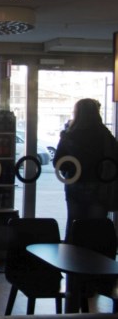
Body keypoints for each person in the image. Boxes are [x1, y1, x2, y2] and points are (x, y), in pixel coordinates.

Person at [53, 98, 114, 242]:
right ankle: (95, 253)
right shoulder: (104, 134)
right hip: (99, 185)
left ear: (77, 113)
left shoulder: (69, 135)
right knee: (96, 227)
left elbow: (58, 161)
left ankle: (72, 251)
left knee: (74, 223)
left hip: (75, 183)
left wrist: (71, 169)